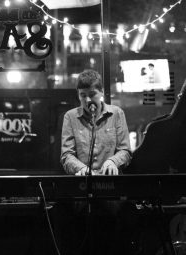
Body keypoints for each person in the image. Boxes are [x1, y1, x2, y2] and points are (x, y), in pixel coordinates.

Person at [58, 69, 134, 255]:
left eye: (92, 94)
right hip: (83, 191)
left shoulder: (117, 114)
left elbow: (125, 150)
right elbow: (66, 155)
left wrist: (113, 162)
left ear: (102, 94)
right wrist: (81, 168)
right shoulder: (70, 117)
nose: (87, 100)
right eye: (82, 95)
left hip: (112, 193)